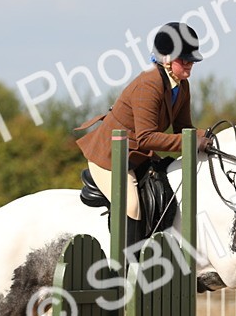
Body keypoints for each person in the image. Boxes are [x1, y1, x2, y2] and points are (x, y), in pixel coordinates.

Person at [75, 21, 213, 240]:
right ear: (166, 59)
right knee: (131, 206)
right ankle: (126, 259)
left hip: (138, 156)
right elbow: (146, 138)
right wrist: (192, 142)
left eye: (191, 60)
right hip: (110, 157)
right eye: (183, 59)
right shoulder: (148, 85)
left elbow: (183, 129)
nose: (189, 64)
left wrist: (207, 135)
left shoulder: (181, 86)